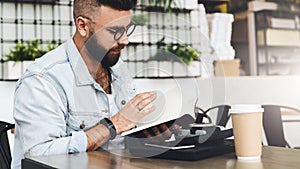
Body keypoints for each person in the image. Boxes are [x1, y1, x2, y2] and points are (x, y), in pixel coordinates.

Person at [11, 0, 158, 168]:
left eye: (126, 30)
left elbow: (123, 140)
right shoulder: (43, 79)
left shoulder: (116, 66)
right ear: (82, 26)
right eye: (114, 31)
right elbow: (39, 155)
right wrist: (112, 125)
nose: (125, 40)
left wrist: (150, 137)